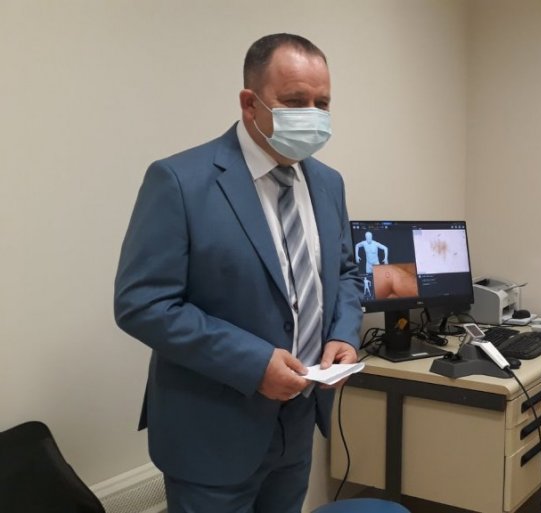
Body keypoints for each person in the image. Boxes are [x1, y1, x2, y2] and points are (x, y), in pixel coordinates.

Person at [114, 33, 363, 513]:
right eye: (295, 101)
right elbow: (142, 304)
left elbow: (347, 273)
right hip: (212, 435)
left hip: (297, 427)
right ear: (250, 104)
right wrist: (253, 364)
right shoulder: (180, 181)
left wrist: (343, 335)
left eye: (322, 103)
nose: (312, 115)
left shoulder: (328, 183)